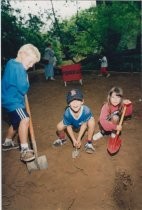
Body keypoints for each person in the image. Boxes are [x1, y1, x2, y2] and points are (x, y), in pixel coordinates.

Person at [2, 44, 41, 162]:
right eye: (30, 62)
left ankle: (7, 143)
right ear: (22, 54)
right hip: (13, 101)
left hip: (6, 99)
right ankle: (24, 150)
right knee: (25, 119)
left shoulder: (11, 63)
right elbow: (23, 88)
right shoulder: (19, 69)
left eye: (33, 63)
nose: (31, 65)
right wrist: (26, 80)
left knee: (16, 123)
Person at [53, 89, 96, 154]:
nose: (75, 103)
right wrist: (73, 140)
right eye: (72, 101)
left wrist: (78, 139)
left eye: (78, 100)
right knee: (59, 126)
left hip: (83, 124)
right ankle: (62, 139)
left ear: (82, 101)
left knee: (92, 122)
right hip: (73, 125)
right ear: (69, 104)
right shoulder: (67, 113)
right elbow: (68, 126)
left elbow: (84, 125)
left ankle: (89, 143)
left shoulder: (86, 110)